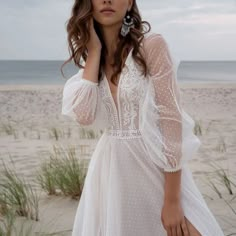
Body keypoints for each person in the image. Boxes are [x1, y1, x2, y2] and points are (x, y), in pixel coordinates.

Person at [61, 0, 225, 235]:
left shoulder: (152, 47)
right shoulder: (92, 63)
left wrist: (171, 201)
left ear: (129, 3)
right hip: (112, 172)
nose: (107, 0)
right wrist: (95, 51)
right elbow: (84, 116)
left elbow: (171, 122)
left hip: (155, 167)